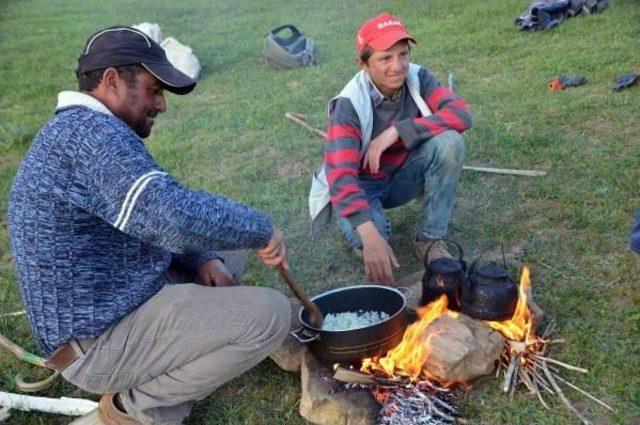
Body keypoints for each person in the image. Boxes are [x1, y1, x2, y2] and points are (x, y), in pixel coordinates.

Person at [7, 26, 291, 425]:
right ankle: (136, 410)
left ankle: (201, 325)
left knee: (223, 254)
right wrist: (262, 229)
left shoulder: (86, 128)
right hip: (97, 341)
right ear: (111, 81)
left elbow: (155, 216)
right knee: (271, 314)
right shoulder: (89, 137)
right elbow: (170, 215)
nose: (162, 104)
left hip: (118, 294)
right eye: (154, 89)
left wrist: (205, 258)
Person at [311, 13, 472, 285]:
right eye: (385, 58)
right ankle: (359, 233)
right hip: (362, 184)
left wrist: (399, 129)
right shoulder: (348, 105)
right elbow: (341, 178)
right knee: (373, 240)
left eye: (403, 54)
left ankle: (430, 240)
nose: (397, 66)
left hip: (401, 174)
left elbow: (461, 115)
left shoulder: (418, 77)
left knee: (450, 143)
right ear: (362, 64)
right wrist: (369, 234)